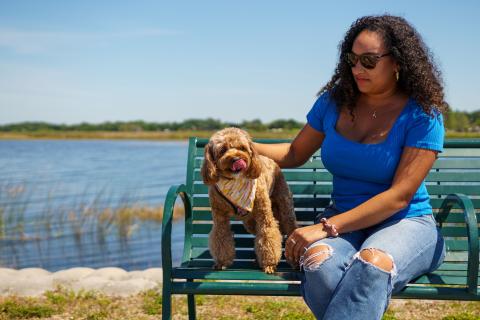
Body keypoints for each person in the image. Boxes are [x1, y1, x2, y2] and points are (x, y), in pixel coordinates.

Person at [253, 14, 447, 320]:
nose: (357, 69)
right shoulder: (334, 102)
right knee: (318, 265)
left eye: (369, 61)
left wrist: (326, 227)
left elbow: (399, 196)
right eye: (352, 60)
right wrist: (243, 145)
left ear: (397, 62)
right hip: (344, 220)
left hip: (405, 223)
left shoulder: (423, 114)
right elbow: (293, 152)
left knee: (371, 264)